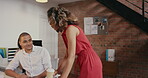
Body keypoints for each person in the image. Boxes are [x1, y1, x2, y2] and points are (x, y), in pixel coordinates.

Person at [47, 7, 103, 78]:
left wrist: (64, 76)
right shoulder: (65, 32)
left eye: (51, 22)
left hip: (90, 60)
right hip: (84, 59)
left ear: (57, 21)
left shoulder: (71, 29)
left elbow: (71, 56)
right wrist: (58, 71)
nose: (50, 25)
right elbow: (67, 56)